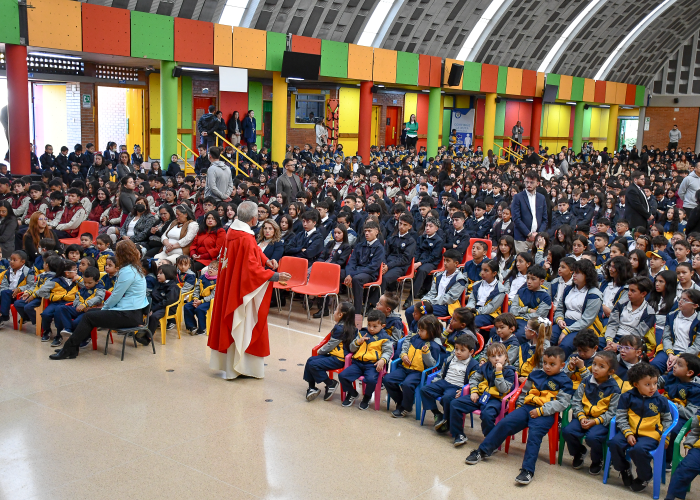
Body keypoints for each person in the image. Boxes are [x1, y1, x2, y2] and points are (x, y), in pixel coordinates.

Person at [465, 346, 574, 485]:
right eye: (545, 363)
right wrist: (520, 406)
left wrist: (540, 411)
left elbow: (562, 403)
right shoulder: (536, 374)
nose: (547, 366)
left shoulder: (565, 381)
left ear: (562, 365)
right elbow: (524, 391)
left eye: (552, 364)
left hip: (546, 413)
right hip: (527, 408)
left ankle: (528, 471)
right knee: (504, 423)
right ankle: (483, 451)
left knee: (534, 436)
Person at [207, 201, 291, 380]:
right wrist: (274, 276)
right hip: (240, 289)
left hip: (231, 285)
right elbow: (251, 268)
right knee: (244, 322)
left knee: (234, 323)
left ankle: (231, 365)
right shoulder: (245, 237)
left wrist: (266, 259)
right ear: (254, 219)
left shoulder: (233, 231)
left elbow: (252, 252)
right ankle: (242, 366)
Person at [50, 240, 150, 360]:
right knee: (90, 313)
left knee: (88, 317)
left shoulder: (128, 271)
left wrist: (104, 308)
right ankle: (72, 348)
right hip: (133, 312)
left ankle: (68, 349)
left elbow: (116, 296)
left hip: (128, 314)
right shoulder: (135, 268)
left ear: (121, 255)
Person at [608, 363, 673, 492]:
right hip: (630, 430)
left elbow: (667, 420)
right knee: (614, 443)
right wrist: (628, 433)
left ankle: (645, 476)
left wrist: (666, 437)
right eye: (648, 384)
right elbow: (620, 417)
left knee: (637, 450)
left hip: (650, 434)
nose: (653, 387)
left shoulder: (661, 400)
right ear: (636, 384)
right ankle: (624, 468)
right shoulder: (627, 397)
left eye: (654, 383)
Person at [561, 350, 620, 475]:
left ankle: (597, 460)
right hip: (583, 417)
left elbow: (612, 412)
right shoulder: (586, 381)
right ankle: (579, 452)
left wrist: (595, 421)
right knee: (567, 431)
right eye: (594, 364)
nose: (595, 369)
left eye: (601, 366)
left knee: (592, 437)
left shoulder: (614, 389)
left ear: (611, 372)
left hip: (600, 422)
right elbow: (576, 401)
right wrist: (581, 417)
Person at [449, 342, 516, 446]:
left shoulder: (509, 371)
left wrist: (499, 373)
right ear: (488, 358)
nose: (497, 359)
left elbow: (503, 389)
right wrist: (474, 391)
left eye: (500, 355)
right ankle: (458, 434)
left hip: (496, 399)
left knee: (487, 415)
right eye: (493, 356)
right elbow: (474, 378)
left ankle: (491, 442)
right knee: (455, 404)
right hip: (481, 395)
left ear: (506, 357)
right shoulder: (485, 366)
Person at [384, 314, 443, 417]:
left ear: (431, 332)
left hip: (418, 372)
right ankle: (402, 401)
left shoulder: (434, 346)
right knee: (388, 379)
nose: (418, 332)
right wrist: (403, 355)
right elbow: (405, 347)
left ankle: (406, 407)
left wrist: (426, 354)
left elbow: (432, 365)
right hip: (404, 367)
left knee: (407, 384)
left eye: (421, 330)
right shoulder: (415, 338)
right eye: (419, 329)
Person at [421, 334, 479, 436]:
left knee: (446, 398)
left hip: (456, 387)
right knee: (425, 390)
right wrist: (436, 381)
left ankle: (447, 420)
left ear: (471, 352)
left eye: (462, 350)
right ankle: (437, 414)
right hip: (444, 382)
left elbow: (474, 381)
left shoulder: (473, 365)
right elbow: (442, 372)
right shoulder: (451, 358)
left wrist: (464, 390)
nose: (458, 352)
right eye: (456, 349)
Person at [337, 309, 392, 409]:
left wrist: (382, 360)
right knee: (342, 376)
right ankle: (352, 393)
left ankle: (367, 397)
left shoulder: (385, 338)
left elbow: (388, 352)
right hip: (357, 363)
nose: (371, 328)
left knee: (371, 380)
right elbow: (351, 348)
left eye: (375, 326)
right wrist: (358, 342)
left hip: (372, 365)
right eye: (369, 325)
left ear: (382, 326)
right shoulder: (362, 333)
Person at [303, 301, 356, 401]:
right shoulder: (346, 326)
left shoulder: (341, 329)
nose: (334, 312)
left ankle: (330, 383)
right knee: (310, 360)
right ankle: (312, 388)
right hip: (334, 356)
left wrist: (320, 352)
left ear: (340, 315)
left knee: (314, 364)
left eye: (336, 310)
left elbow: (330, 345)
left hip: (339, 359)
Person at [511, 170, 548, 254]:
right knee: (521, 263)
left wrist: (537, 234)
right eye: (527, 182)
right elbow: (516, 218)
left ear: (537, 183)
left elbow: (545, 219)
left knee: (537, 263)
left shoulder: (541, 198)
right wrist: (528, 234)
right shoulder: (518, 197)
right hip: (521, 238)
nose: (528, 185)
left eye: (532, 182)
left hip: (538, 238)